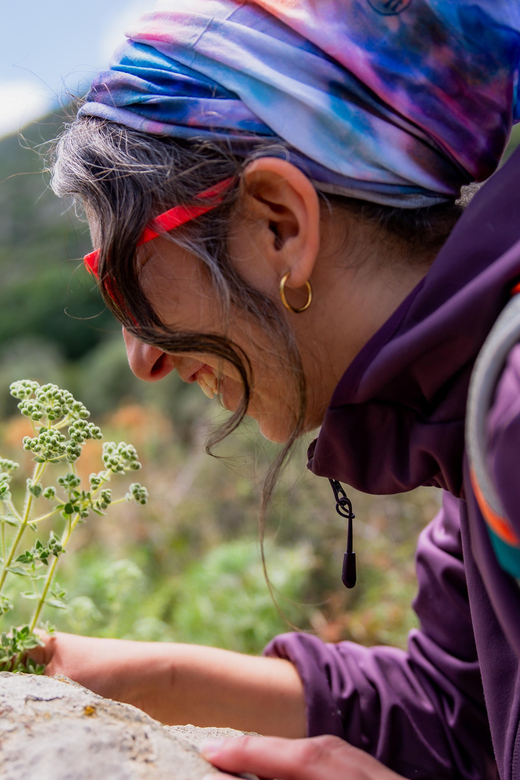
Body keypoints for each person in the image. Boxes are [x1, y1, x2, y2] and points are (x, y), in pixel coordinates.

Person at [29, 1, 520, 778]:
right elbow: (460, 716)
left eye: (127, 277)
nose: (140, 360)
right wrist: (152, 679)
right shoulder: (470, 416)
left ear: (280, 224)